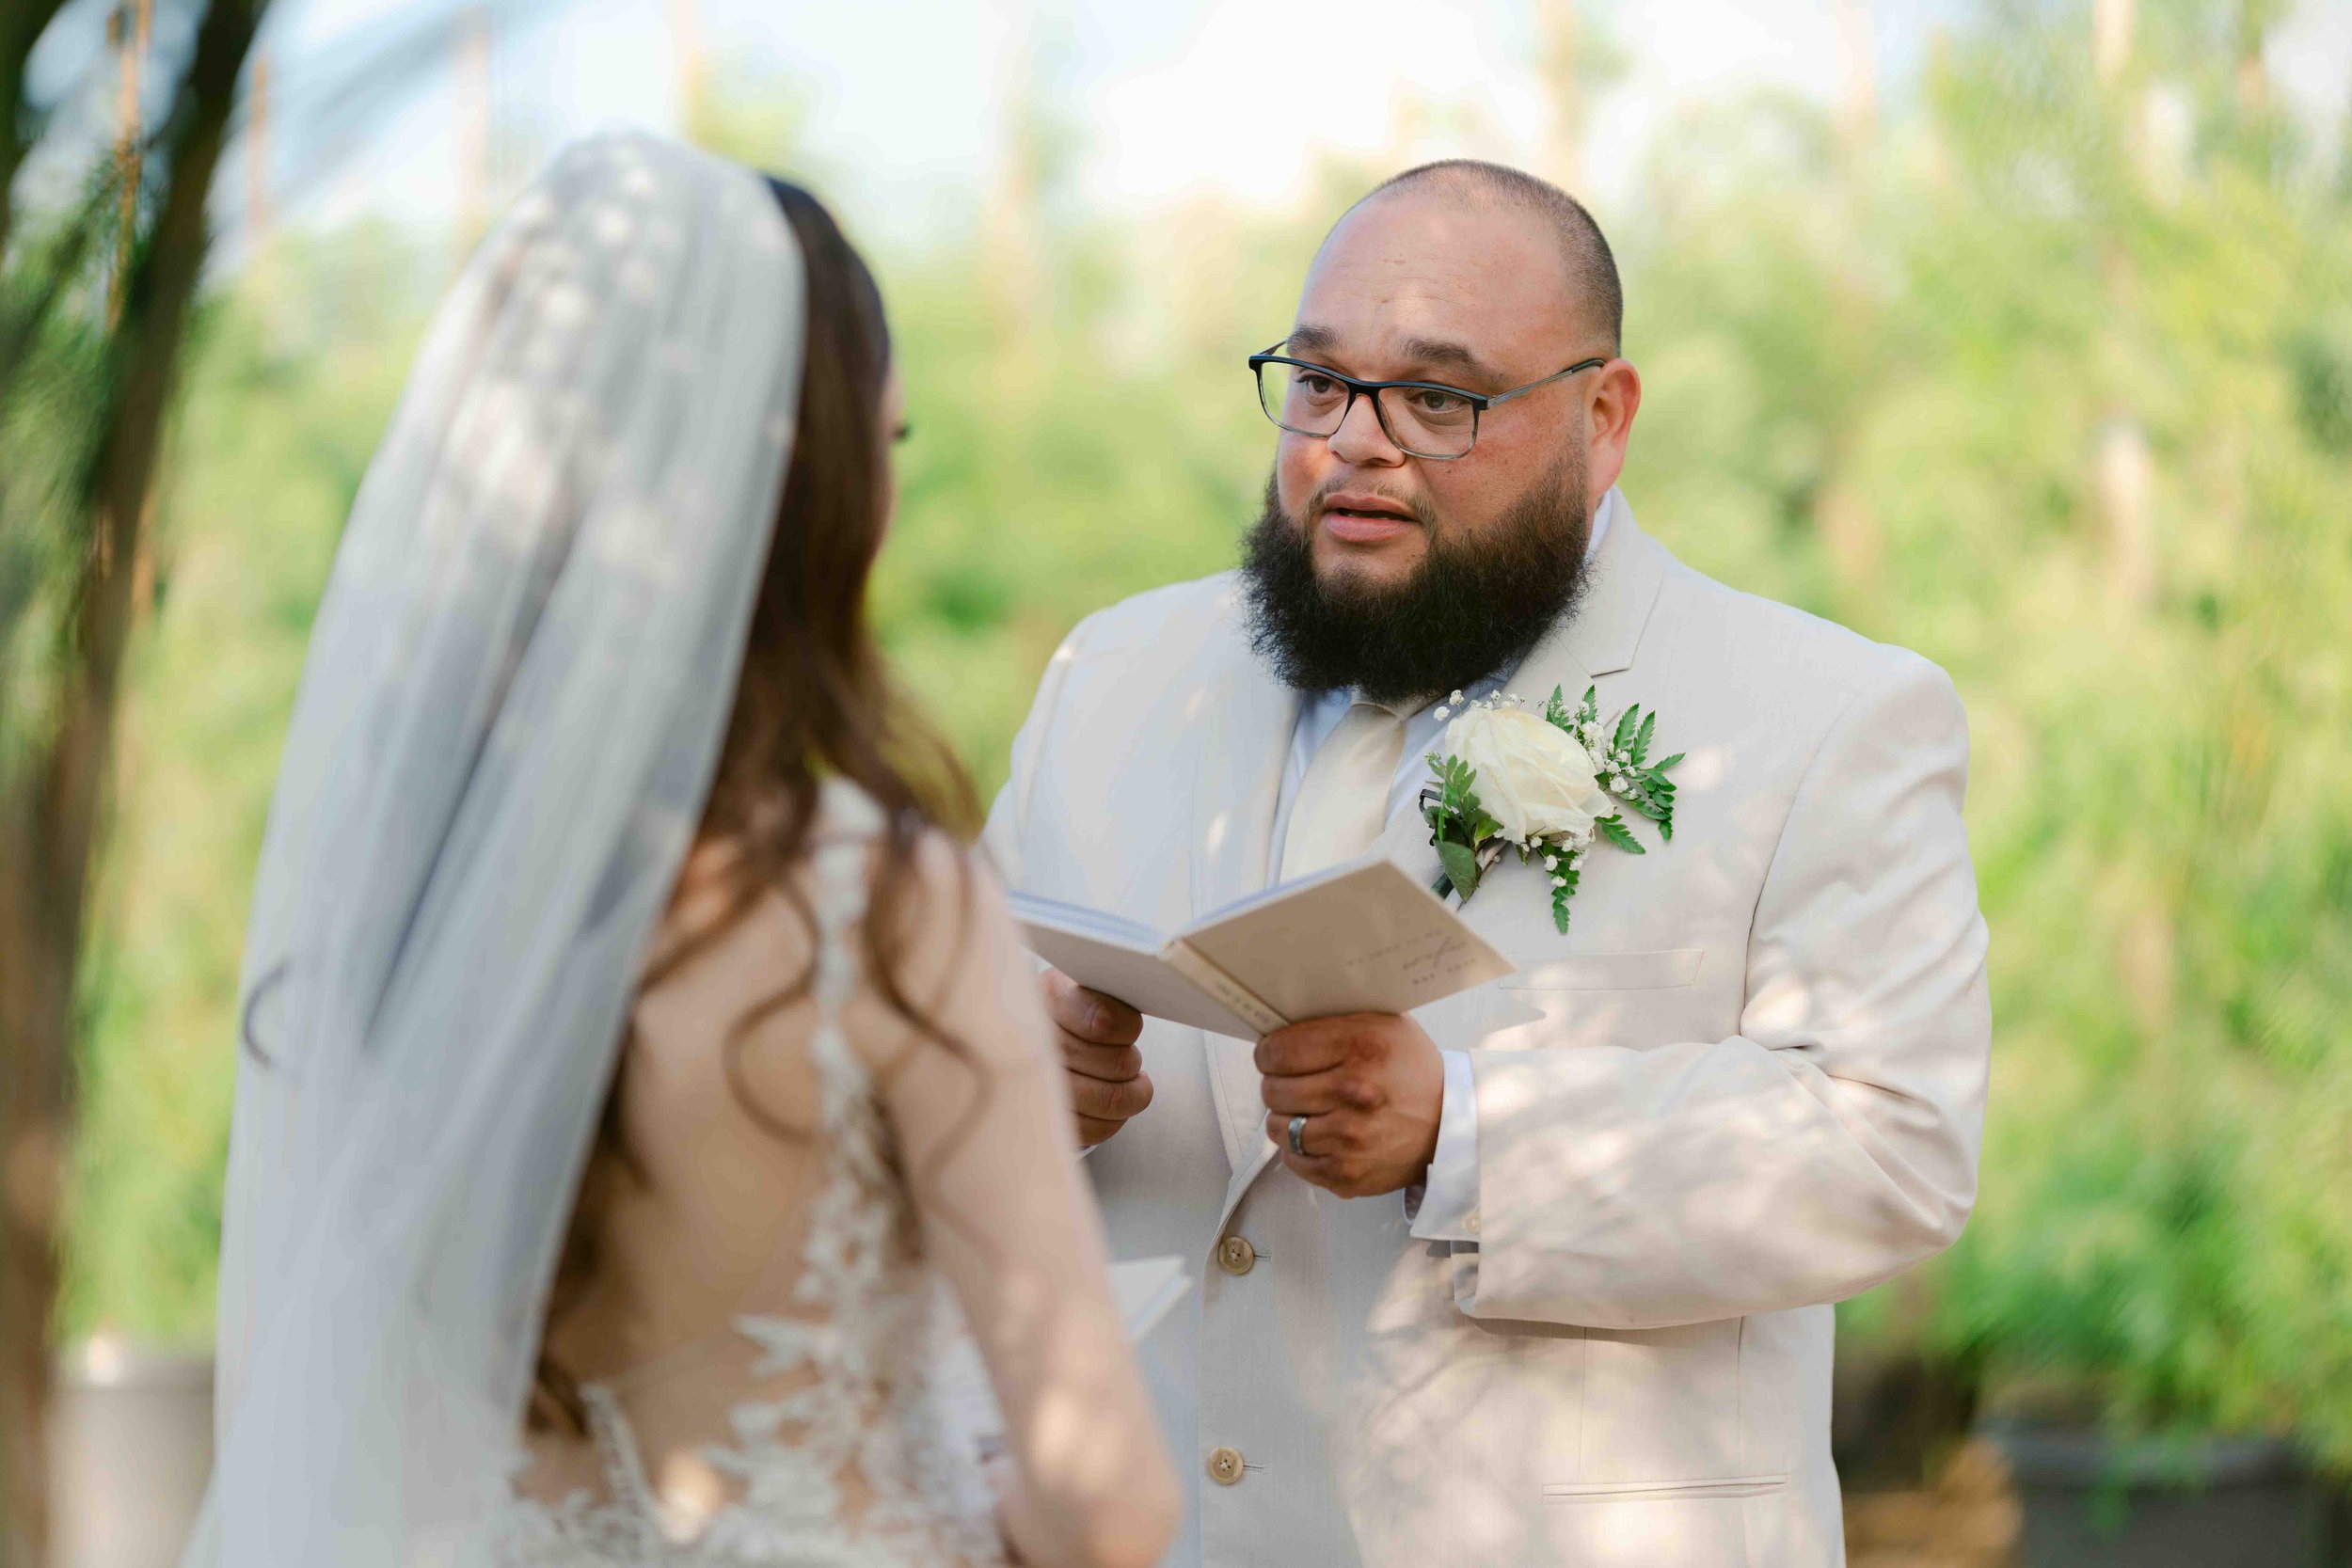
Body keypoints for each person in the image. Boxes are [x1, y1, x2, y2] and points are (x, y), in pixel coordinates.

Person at [185, 132, 1176, 1568]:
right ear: (815, 486)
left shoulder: (404, 916)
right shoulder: (879, 906)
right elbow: (1109, 1502)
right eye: (882, 446)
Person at [985, 159, 1992, 1566]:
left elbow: (1895, 1145)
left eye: (1438, 400)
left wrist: (1465, 1133)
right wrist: (1004, 1078)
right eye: (1320, 383)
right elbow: (932, 1078)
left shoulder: (1819, 716)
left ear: (1604, 413)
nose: (1353, 443)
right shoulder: (1110, 674)